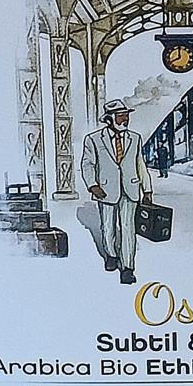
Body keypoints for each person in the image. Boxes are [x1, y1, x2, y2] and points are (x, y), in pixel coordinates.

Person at [80, 99, 153, 284]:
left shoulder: (135, 138)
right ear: (109, 119)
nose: (125, 120)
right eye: (121, 116)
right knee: (108, 227)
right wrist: (93, 185)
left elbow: (140, 164)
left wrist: (147, 190)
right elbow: (87, 164)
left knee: (128, 228)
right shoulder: (93, 139)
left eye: (126, 116)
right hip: (105, 190)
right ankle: (111, 255)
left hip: (130, 189)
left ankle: (128, 268)